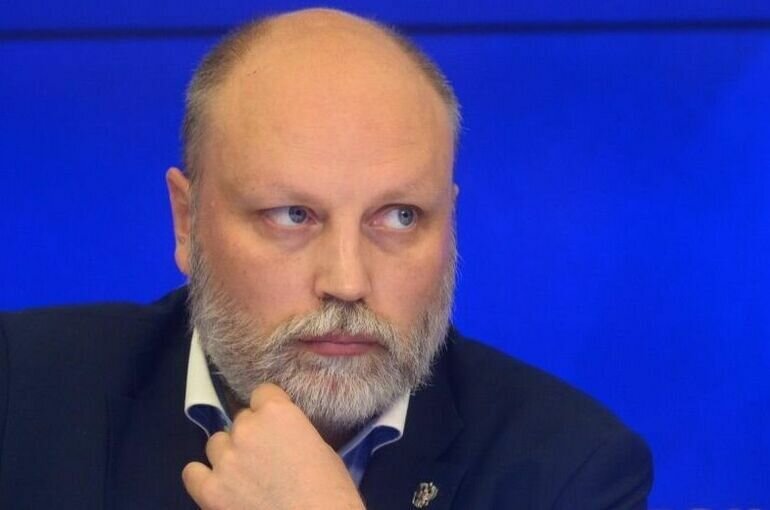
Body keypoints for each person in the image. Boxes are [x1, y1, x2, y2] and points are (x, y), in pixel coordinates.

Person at [0, 7, 652, 509]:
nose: (346, 281)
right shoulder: (21, 397)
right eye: (293, 215)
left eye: (399, 217)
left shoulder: (570, 472)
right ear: (186, 222)